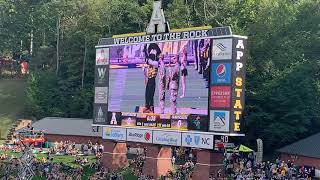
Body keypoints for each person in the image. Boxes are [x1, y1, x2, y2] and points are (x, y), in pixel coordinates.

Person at [143, 43, 161, 113]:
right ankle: (148, 106)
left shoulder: (156, 63)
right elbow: (147, 60)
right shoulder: (153, 61)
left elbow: (148, 60)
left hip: (152, 80)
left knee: (150, 94)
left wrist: (145, 51)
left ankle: (150, 107)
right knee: (147, 93)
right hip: (149, 79)